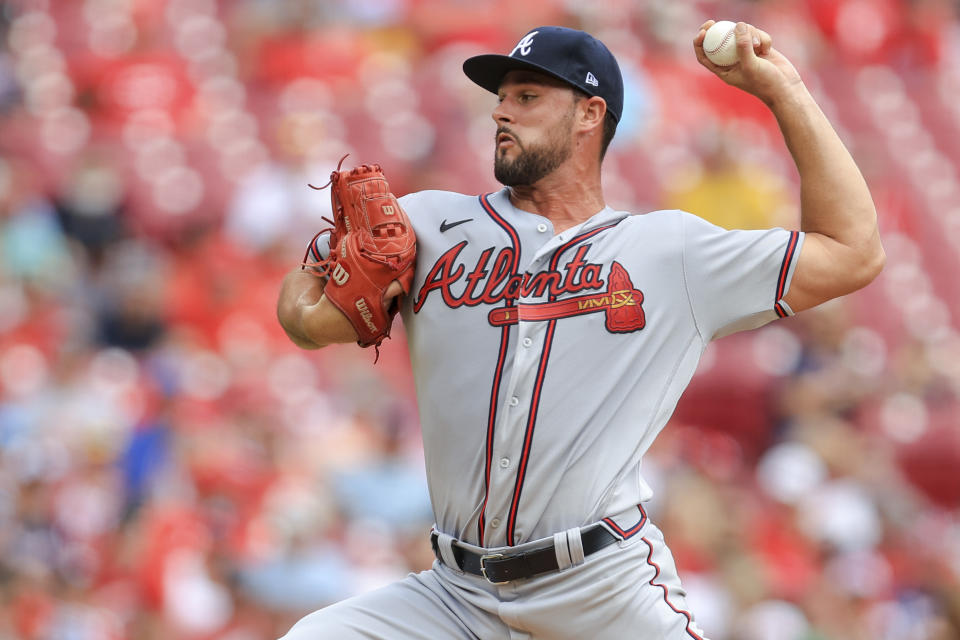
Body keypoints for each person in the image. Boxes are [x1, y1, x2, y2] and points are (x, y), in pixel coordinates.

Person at [275, 21, 884, 640]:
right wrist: (307, 287)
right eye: (502, 97)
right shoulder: (430, 223)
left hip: (601, 592)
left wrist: (785, 91)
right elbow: (308, 325)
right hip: (454, 595)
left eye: (528, 97)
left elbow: (853, 252)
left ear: (590, 114)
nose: (502, 113)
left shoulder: (669, 251)